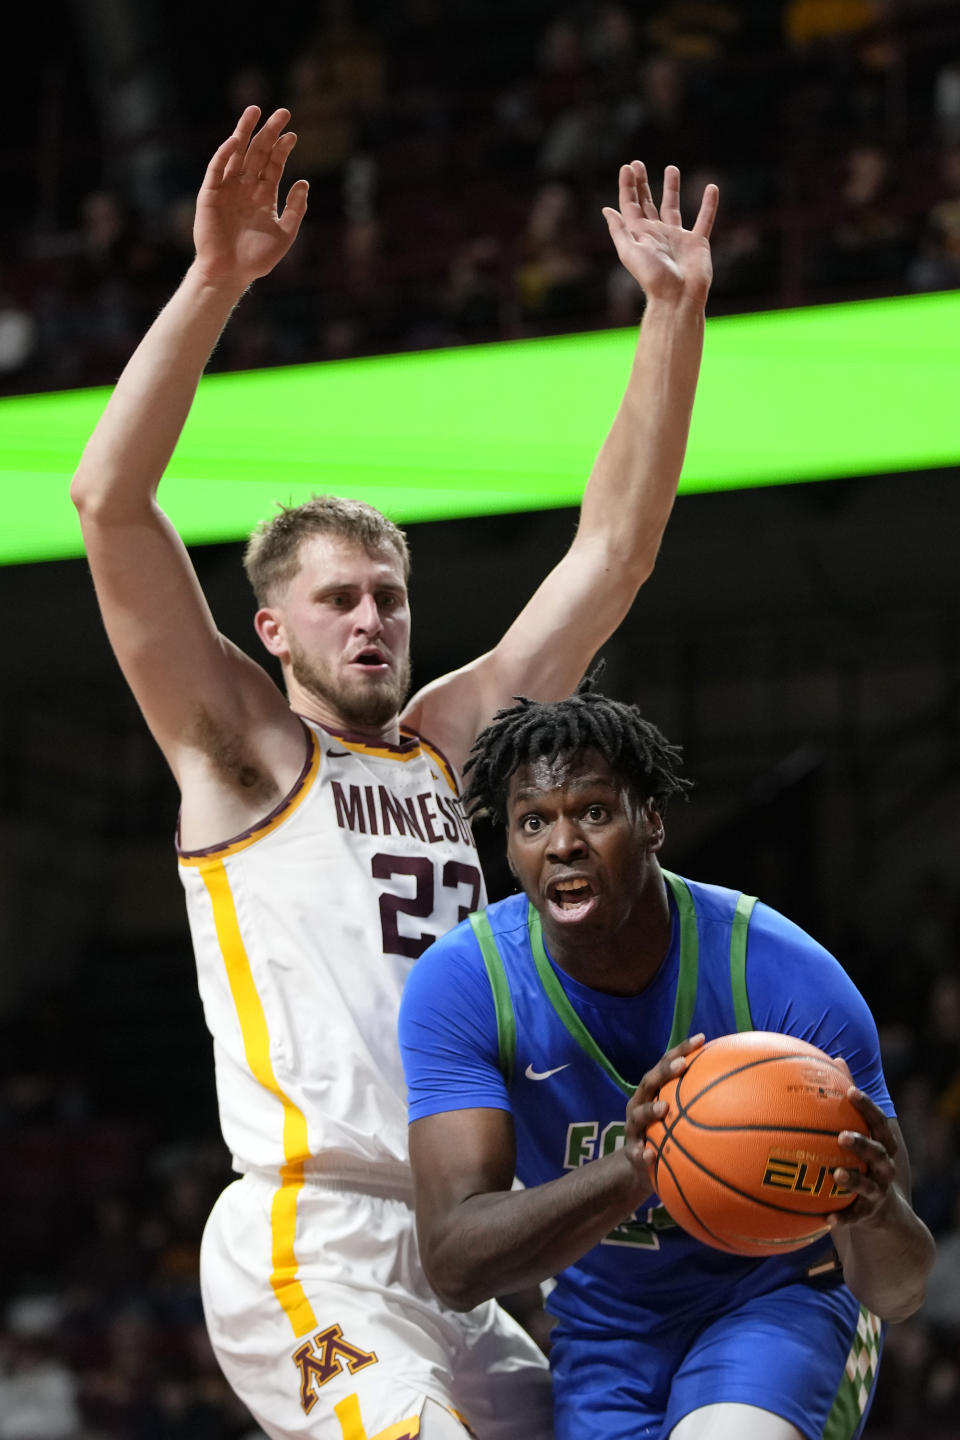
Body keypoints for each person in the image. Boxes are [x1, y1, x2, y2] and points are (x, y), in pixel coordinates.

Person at [69, 105, 719, 1440]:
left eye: (388, 596)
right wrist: (215, 282)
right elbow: (108, 504)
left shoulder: (447, 745)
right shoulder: (243, 751)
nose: (371, 618)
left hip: (464, 1248)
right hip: (310, 1233)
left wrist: (672, 317)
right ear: (272, 629)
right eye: (338, 601)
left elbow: (613, 554)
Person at [399, 681, 936, 1440]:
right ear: (513, 850)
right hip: (607, 1335)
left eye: (592, 811)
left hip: (782, 1301)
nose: (563, 843)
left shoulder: (781, 974)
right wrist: (636, 1165)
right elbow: (453, 1265)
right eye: (532, 822)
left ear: (650, 821)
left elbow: (899, 1289)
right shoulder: (464, 986)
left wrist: (880, 1214)